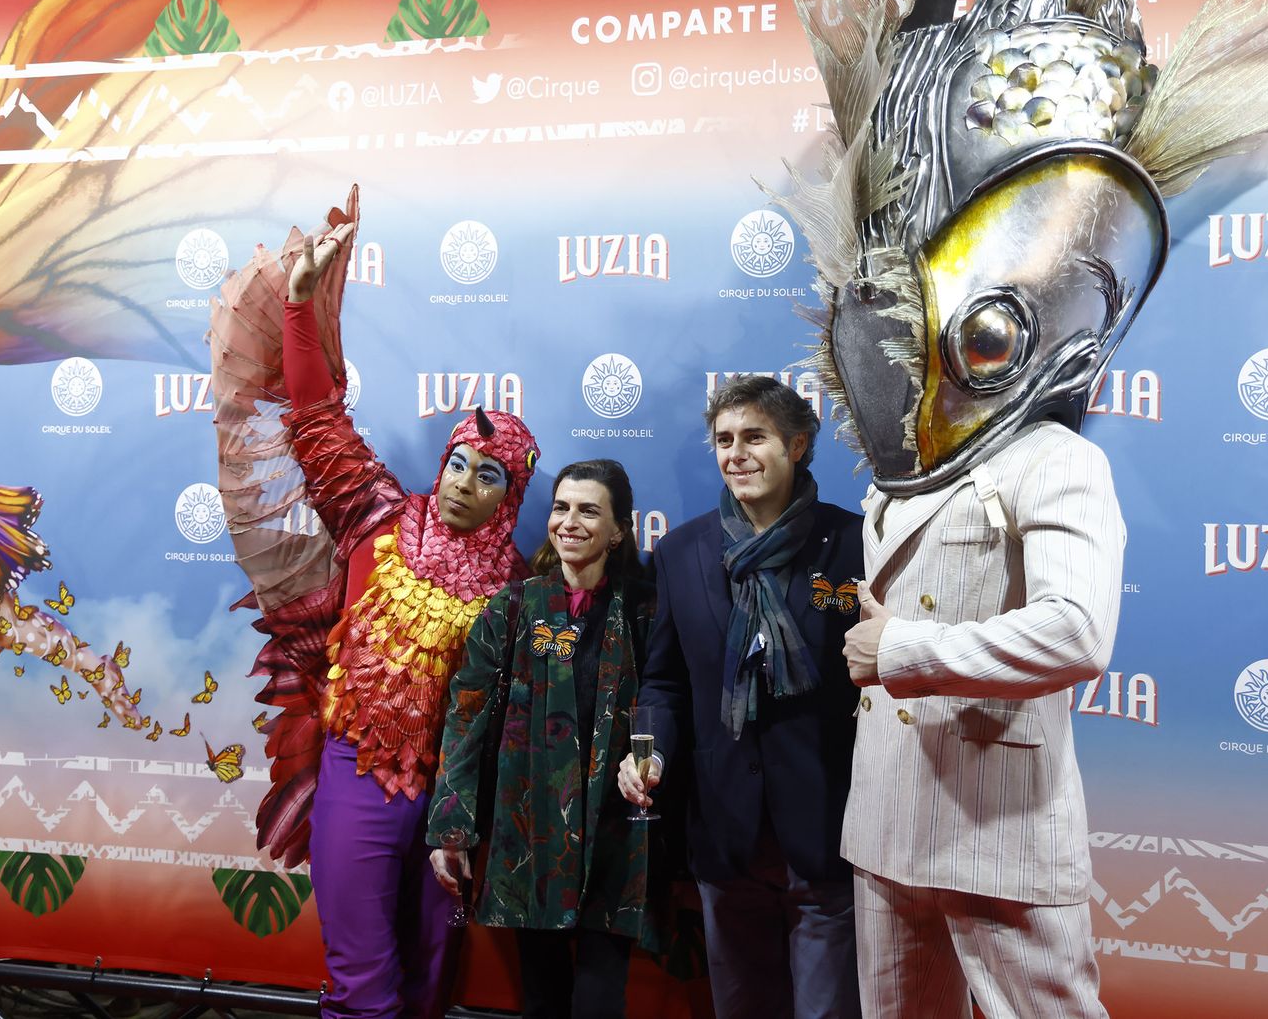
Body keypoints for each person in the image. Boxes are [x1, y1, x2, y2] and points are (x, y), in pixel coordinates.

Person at [767, 0, 1268, 1014]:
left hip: (1001, 829)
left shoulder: (1058, 461)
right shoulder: (897, 468)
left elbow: (1074, 632)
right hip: (885, 825)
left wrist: (904, 651)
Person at [209, 186, 540, 1019]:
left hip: (453, 804)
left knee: (432, 979)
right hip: (359, 776)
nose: (465, 482)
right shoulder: (377, 518)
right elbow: (317, 413)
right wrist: (298, 306)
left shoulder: (519, 586)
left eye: (489, 474)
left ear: (513, 492)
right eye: (460, 463)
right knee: (365, 984)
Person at [618, 374, 864, 1019]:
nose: (737, 454)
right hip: (725, 830)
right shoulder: (681, 551)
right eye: (724, 440)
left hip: (828, 826)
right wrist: (648, 751)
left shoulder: (858, 543)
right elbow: (665, 681)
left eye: (755, 437)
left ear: (799, 445)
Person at [429, 459, 655, 1019]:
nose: (570, 522)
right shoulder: (512, 608)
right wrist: (452, 830)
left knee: (602, 1002)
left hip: (616, 834)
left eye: (588, 510)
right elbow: (466, 718)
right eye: (561, 508)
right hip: (529, 834)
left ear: (619, 529)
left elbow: (666, 705)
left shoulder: (646, 610)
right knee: (541, 999)